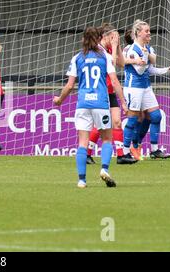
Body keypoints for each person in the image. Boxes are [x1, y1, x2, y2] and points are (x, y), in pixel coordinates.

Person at [53, 27, 127, 188]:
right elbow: (114, 82)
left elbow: (70, 85)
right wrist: (123, 103)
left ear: (83, 40)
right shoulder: (105, 57)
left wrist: (59, 100)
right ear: (99, 38)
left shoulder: (77, 58)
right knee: (107, 139)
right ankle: (104, 169)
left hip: (83, 104)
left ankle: (81, 180)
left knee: (82, 143)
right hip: (100, 103)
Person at [122, 20, 170, 161]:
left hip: (146, 87)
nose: (149, 33)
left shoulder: (147, 47)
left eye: (149, 30)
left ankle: (154, 150)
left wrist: (147, 54)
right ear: (138, 33)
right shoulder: (132, 50)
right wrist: (143, 56)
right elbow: (139, 69)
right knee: (132, 120)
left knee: (156, 116)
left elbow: (153, 61)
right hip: (134, 87)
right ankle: (126, 152)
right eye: (146, 31)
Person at [86, 23, 134, 165]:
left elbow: (122, 63)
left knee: (117, 121)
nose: (115, 38)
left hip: (110, 91)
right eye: (113, 36)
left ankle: (120, 156)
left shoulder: (109, 48)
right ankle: (87, 153)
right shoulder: (98, 50)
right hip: (101, 90)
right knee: (102, 124)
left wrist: (117, 46)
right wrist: (113, 47)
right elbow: (111, 63)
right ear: (106, 36)